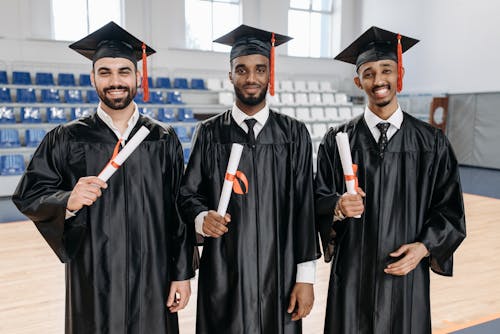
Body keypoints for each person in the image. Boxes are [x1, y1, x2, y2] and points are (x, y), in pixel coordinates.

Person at [12, 21, 197, 334]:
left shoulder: (161, 139)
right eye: (105, 72)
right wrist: (66, 199)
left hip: (153, 276)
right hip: (93, 276)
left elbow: (176, 211)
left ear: (138, 76)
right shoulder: (67, 138)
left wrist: (182, 273)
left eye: (124, 71)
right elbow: (29, 194)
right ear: (92, 77)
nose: (115, 81)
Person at [314, 26, 466, 334]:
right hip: (352, 274)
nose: (378, 80)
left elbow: (450, 210)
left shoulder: (431, 143)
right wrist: (339, 206)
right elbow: (317, 198)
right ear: (358, 82)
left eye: (386, 70)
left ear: (400, 74)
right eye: (368, 73)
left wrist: (425, 247)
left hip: (404, 278)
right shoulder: (337, 139)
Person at [177, 24, 320, 334]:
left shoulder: (294, 135)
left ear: (270, 74)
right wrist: (202, 218)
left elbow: (304, 208)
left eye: (259, 69)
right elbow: (187, 196)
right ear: (230, 75)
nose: (251, 78)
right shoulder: (210, 133)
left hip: (279, 272)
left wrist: (305, 278)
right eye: (241, 70)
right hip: (224, 271)